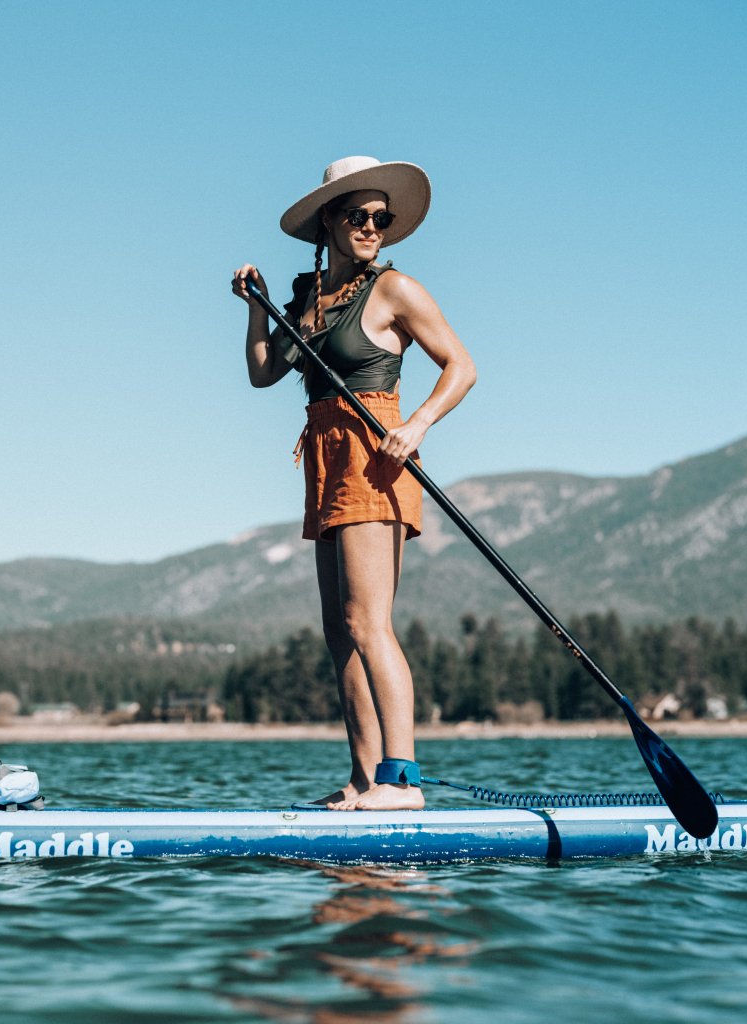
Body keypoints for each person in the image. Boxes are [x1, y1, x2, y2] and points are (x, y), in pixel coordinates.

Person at [231, 156, 476, 811]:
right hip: (324, 455)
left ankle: (402, 781)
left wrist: (418, 424)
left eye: (380, 218)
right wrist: (255, 309)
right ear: (328, 224)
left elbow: (460, 366)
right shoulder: (308, 300)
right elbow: (263, 372)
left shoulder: (395, 290)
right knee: (340, 629)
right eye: (358, 216)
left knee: (369, 622)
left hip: (375, 453)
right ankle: (364, 777)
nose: (371, 228)